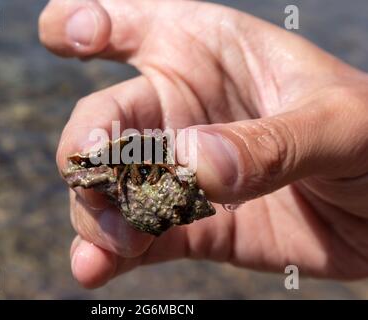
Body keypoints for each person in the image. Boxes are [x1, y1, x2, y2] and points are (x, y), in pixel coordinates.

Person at [38, 0, 368, 288]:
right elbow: (84, 170)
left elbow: (152, 159)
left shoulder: (156, 160)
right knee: (87, 170)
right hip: (146, 175)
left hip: (156, 174)